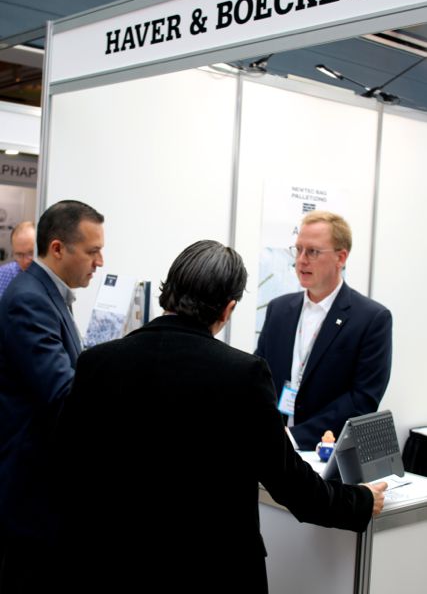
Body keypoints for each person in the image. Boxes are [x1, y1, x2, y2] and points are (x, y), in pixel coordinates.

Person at [52, 239, 386, 594]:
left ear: (169, 290)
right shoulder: (242, 374)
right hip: (214, 571)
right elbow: (293, 486)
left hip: (110, 567)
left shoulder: (97, 362)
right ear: (227, 309)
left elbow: (67, 463)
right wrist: (360, 501)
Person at [0, 200, 104, 592]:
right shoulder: (30, 299)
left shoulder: (48, 294)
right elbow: (62, 392)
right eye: (92, 252)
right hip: (32, 495)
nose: (100, 262)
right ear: (58, 248)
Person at [256, 210, 393, 451]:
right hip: (272, 448)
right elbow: (259, 377)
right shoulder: (279, 309)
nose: (301, 260)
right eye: (298, 250)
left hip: (326, 454)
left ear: (341, 257)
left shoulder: (371, 319)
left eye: (313, 251)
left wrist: (294, 437)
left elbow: (362, 399)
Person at [0, 221, 35, 298]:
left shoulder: (53, 274)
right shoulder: (3, 275)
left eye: (31, 253)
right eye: (19, 255)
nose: (26, 261)